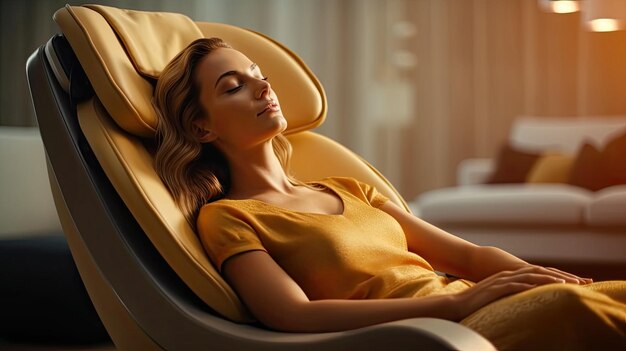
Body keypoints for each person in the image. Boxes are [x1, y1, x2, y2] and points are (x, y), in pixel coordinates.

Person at [153, 37, 626, 350]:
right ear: (201, 125)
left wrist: (542, 276)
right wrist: (456, 305)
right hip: (432, 332)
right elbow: (291, 314)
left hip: (469, 302)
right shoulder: (228, 218)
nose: (261, 85)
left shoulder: (347, 187)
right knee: (576, 310)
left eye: (259, 74)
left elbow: (467, 254)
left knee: (604, 295)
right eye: (233, 86)